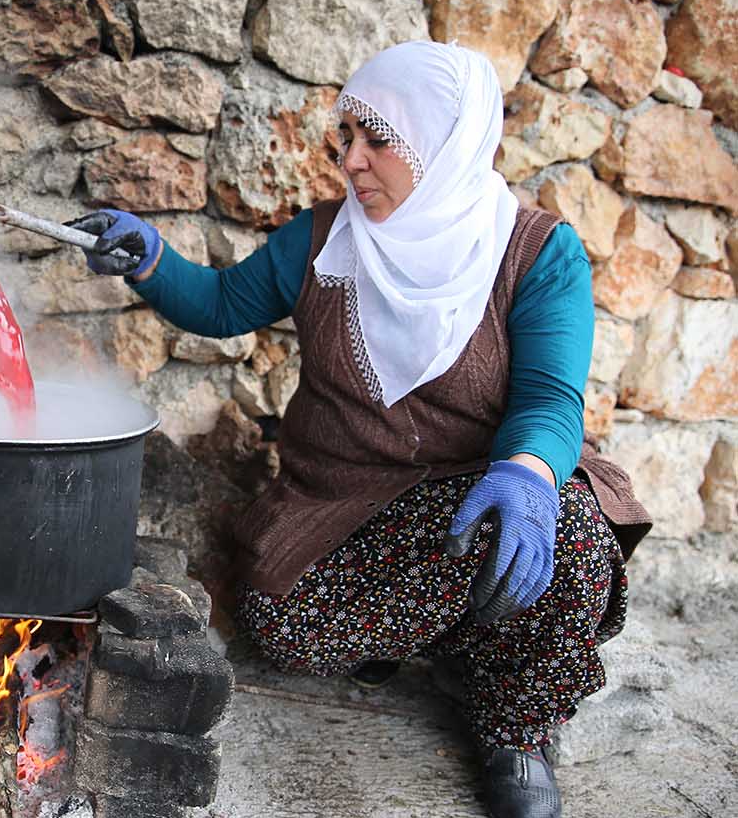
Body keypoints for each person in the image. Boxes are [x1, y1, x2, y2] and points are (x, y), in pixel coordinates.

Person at [68, 41, 651, 818]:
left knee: (563, 534)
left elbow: (550, 395)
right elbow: (218, 306)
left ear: (442, 146)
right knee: (284, 627)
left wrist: (529, 473)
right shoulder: (322, 240)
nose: (351, 161)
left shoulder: (536, 254)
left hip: (480, 491)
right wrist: (150, 259)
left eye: (379, 140)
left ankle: (517, 726)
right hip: (342, 502)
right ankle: (440, 638)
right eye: (347, 136)